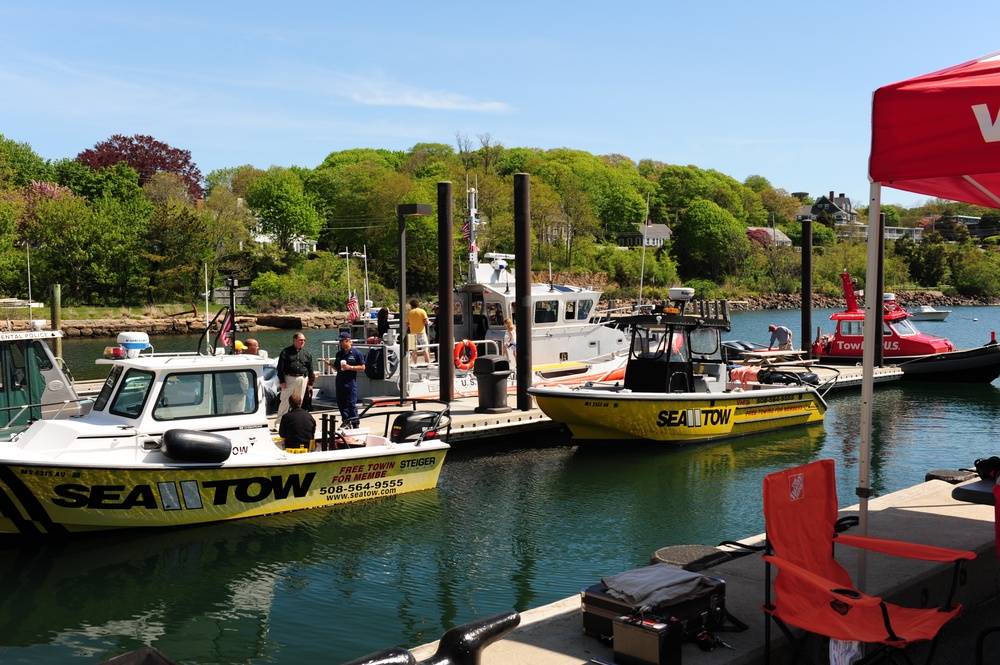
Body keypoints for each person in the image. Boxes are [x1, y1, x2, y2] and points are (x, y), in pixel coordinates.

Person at [325, 331, 366, 428]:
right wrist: (330, 365)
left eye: (341, 341)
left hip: (350, 382)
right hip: (340, 381)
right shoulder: (339, 354)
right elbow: (337, 368)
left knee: (351, 403)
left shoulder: (356, 353)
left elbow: (363, 367)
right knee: (341, 403)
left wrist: (350, 367)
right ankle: (346, 421)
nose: (339, 343)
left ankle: (355, 423)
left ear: (347, 341)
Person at [275, 333, 315, 430]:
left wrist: (310, 383)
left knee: (298, 402)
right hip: (289, 378)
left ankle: (296, 422)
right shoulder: (285, 352)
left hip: (302, 379)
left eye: (304, 340)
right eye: (301, 340)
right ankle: (279, 423)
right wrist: (282, 381)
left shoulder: (307, 353)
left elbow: (310, 369)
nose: (303, 342)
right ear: (294, 340)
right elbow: (280, 368)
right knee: (284, 401)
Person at [406, 298, 432, 364]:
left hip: (412, 333)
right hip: (421, 332)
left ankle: (414, 364)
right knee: (425, 348)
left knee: (413, 350)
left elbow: (407, 324)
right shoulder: (422, 311)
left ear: (411, 305)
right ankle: (428, 363)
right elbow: (426, 321)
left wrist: (405, 332)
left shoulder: (409, 313)